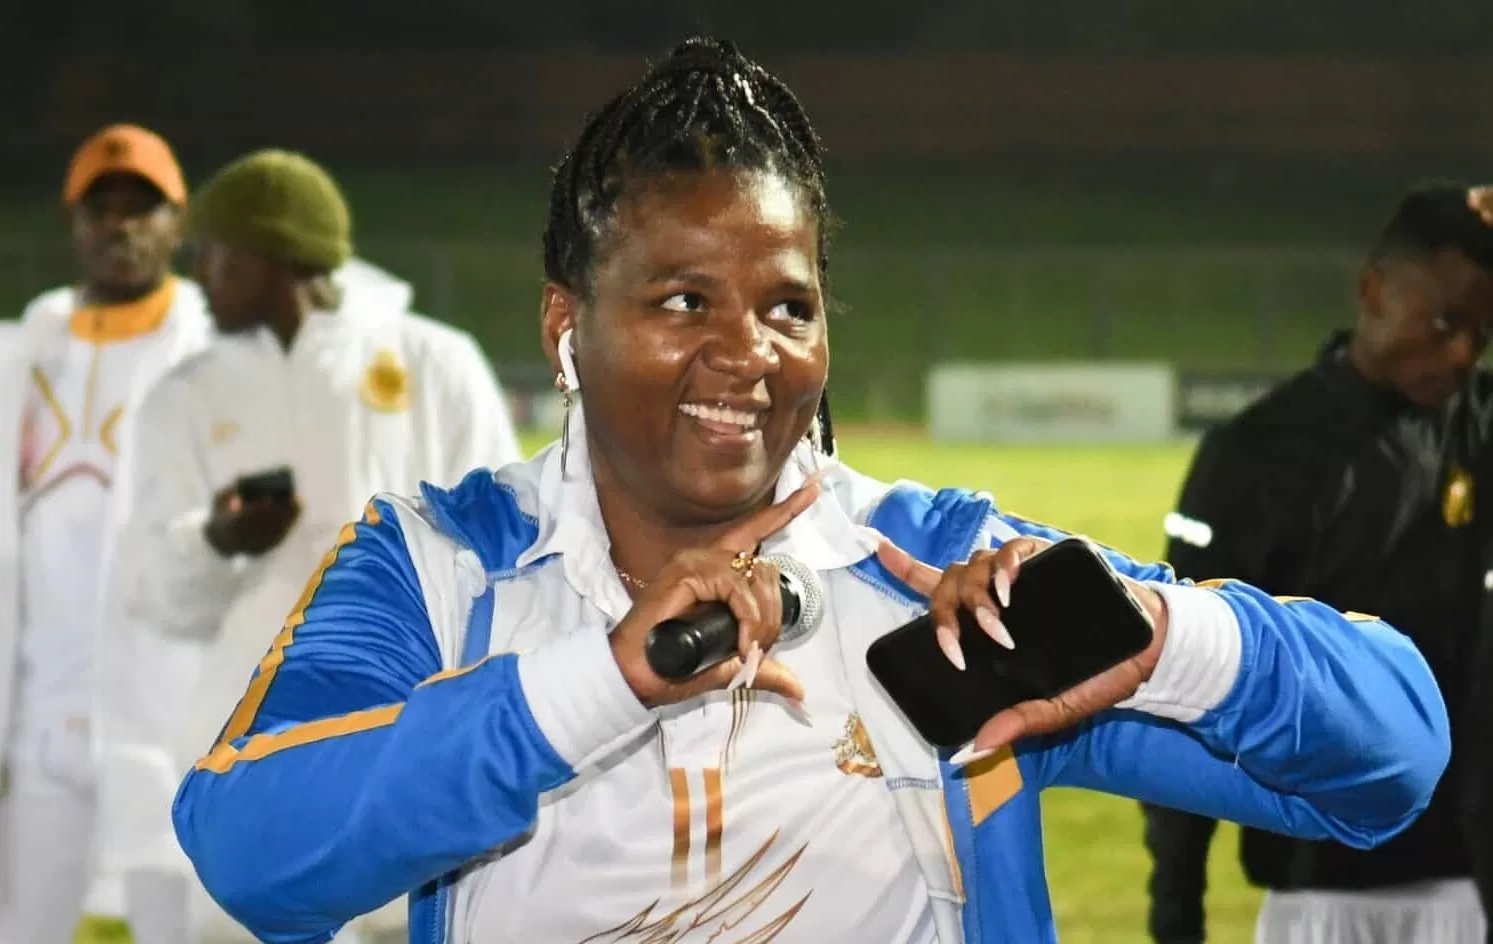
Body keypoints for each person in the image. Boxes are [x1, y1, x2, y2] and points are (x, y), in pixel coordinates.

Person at [173, 39, 1450, 944]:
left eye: (788, 305)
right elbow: (253, 853)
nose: (749, 353)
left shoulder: (933, 577)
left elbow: (1392, 759)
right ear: (566, 327)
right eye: (684, 299)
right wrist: (605, 680)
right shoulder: (435, 563)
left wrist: (1158, 635)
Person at [100, 149, 523, 944]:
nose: (198, 278)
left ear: (277, 257)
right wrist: (218, 541)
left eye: (217, 257)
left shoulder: (434, 363)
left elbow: (510, 552)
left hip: (411, 755)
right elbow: (152, 594)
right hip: (253, 766)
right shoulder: (185, 396)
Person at [1142, 182, 1493, 944]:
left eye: (1481, 333)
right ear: (1373, 290)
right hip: (1314, 894)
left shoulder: (1476, 429)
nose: (1462, 353)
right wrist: (1176, 911)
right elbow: (1186, 684)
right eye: (1445, 322)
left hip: (1470, 889)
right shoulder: (1256, 453)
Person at [0, 124, 211, 944]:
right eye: (101, 208)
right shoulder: (26, 355)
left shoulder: (210, 354)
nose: (119, 225)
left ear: (176, 223)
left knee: (174, 923)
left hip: (163, 709)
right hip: (42, 710)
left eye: (140, 208)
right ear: (75, 223)